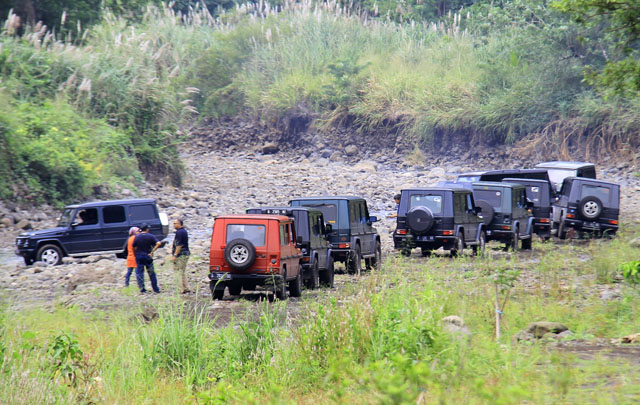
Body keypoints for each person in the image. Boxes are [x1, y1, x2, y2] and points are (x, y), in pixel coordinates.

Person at [132, 223, 162, 293]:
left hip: (139, 256)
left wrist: (135, 254)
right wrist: (152, 252)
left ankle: (142, 289)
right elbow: (159, 243)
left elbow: (133, 247)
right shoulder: (151, 236)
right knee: (151, 273)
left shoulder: (137, 237)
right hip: (148, 255)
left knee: (140, 273)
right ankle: (155, 289)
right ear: (147, 229)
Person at [170, 218, 191, 294]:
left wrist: (175, 255)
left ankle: (180, 289)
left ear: (180, 224)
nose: (174, 225)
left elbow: (179, 245)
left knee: (178, 271)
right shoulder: (184, 231)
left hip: (181, 254)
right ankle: (186, 287)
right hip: (186, 253)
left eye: (175, 223)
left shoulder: (179, 233)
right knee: (182, 271)